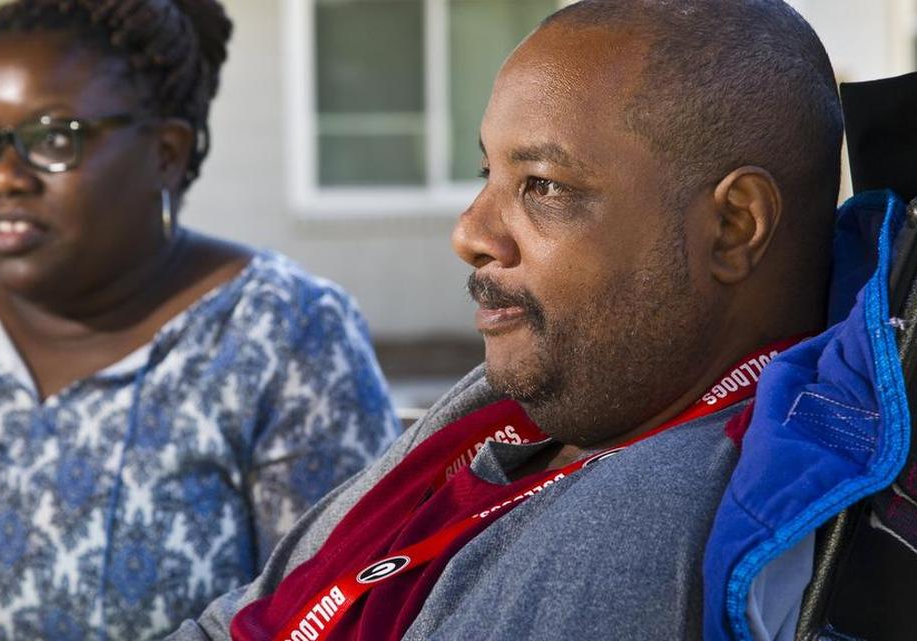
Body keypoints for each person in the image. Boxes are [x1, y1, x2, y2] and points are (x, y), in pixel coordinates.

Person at [163, 0, 843, 639]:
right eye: (485, 172)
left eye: (542, 185)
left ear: (732, 226)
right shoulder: (531, 397)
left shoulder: (633, 528)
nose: (470, 231)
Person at [0, 1, 401, 639]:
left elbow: (344, 615)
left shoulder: (283, 334)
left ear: (165, 152)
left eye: (52, 139)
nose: (2, 177)